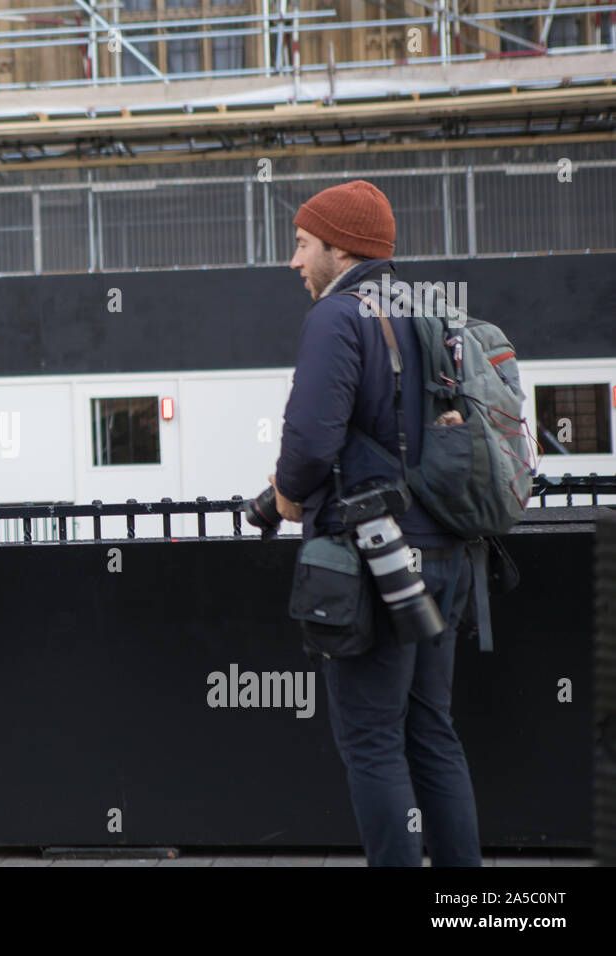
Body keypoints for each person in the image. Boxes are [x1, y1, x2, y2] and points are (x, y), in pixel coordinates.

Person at [270, 180, 482, 866]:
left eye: (303, 245)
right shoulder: (422, 309)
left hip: (375, 561)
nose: (295, 261)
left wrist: (285, 494)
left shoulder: (338, 318)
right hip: (444, 553)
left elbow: (309, 443)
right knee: (432, 733)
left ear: (342, 248)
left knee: (372, 742)